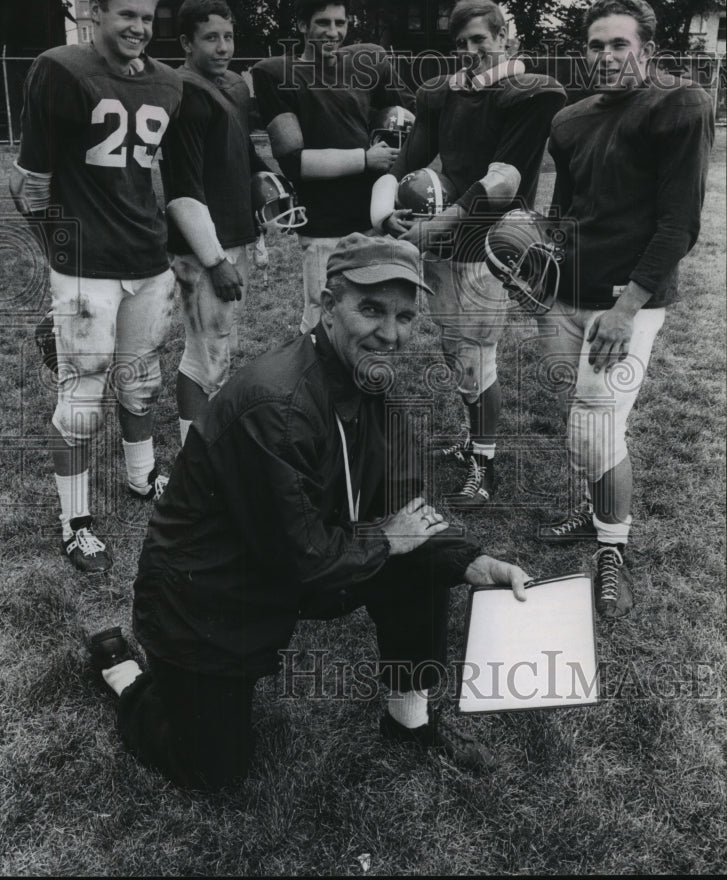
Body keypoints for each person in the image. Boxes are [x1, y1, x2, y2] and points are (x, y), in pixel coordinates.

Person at [88, 234, 530, 792]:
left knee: (419, 556)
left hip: (297, 561)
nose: (390, 333)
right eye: (371, 309)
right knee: (213, 771)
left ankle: (409, 720)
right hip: (207, 594)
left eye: (404, 316)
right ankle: (128, 678)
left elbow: (407, 511)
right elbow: (305, 557)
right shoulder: (277, 405)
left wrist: (473, 561)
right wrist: (386, 540)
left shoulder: (372, 382)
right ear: (327, 305)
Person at [536, 0, 714, 617]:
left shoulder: (678, 103)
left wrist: (626, 308)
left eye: (620, 43)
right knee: (587, 418)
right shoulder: (570, 118)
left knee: (594, 425)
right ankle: (594, 511)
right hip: (567, 292)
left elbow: (679, 223)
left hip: (625, 301)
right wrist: (540, 266)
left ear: (648, 49)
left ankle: (613, 548)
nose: (606, 56)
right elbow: (564, 210)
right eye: (596, 44)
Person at [9, 0, 183, 573]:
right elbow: (30, 184)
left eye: (147, 17)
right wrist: (62, 257)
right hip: (87, 264)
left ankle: (143, 476)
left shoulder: (167, 82)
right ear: (96, 14)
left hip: (148, 258)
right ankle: (75, 521)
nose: (139, 27)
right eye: (126, 14)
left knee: (142, 381)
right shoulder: (62, 69)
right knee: (82, 401)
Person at [370, 0, 566, 507]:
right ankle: (473, 440)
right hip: (445, 242)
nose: (470, 50)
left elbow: (503, 180)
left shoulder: (529, 93)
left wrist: (438, 223)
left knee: (478, 355)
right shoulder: (445, 92)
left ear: (505, 38)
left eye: (481, 39)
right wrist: (385, 210)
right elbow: (409, 159)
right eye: (461, 43)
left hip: (489, 243)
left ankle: (485, 460)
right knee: (454, 348)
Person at [252, 0, 416, 333]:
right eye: (323, 23)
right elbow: (295, 162)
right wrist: (364, 159)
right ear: (302, 25)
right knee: (322, 320)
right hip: (324, 223)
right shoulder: (278, 74)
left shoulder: (366, 64)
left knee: (369, 319)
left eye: (340, 23)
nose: (333, 32)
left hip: (370, 218)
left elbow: (403, 118)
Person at [161, 0, 273, 445]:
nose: (223, 47)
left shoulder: (233, 86)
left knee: (220, 346)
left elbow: (243, 149)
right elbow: (183, 186)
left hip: (232, 232)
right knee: (204, 355)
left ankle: (211, 442)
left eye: (228, 36)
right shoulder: (184, 91)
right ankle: (195, 455)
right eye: (211, 38)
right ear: (186, 43)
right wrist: (213, 259)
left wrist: (267, 182)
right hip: (204, 244)